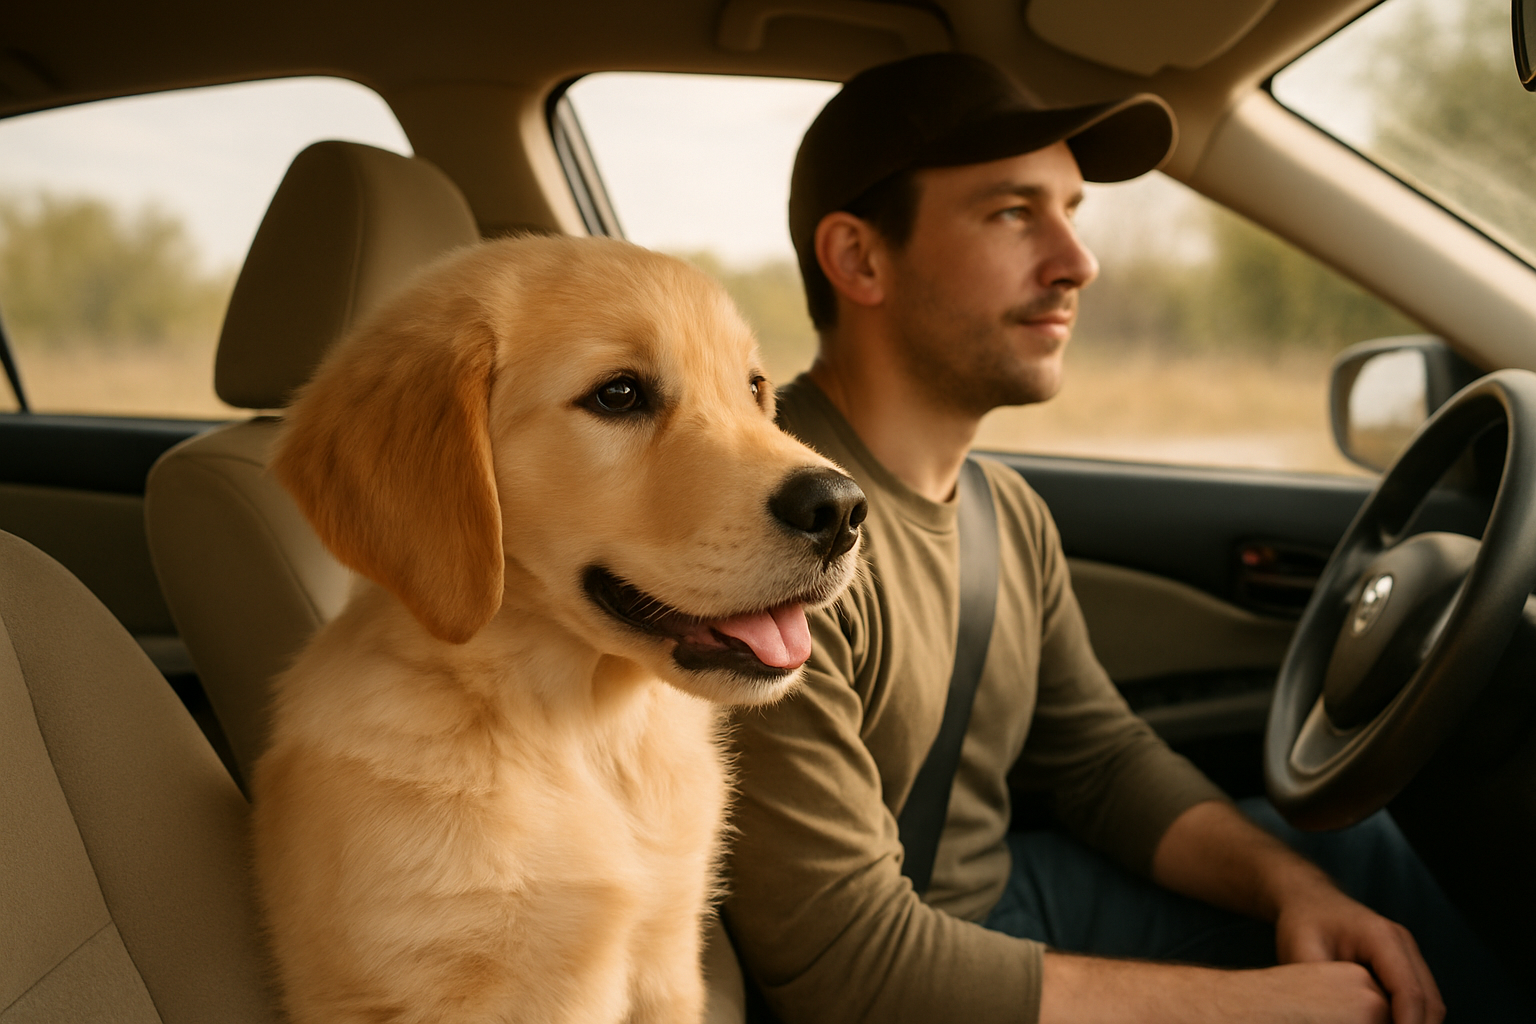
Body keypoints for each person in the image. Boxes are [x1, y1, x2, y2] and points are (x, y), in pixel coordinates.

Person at [721, 53, 1522, 1024]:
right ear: (859, 259)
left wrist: (1288, 890)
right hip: (899, 972)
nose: (1076, 260)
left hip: (1002, 906)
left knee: (1351, 864)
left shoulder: (1002, 511)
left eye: (1070, 211)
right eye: (1013, 212)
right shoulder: (770, 532)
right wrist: (1261, 1006)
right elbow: (851, 969)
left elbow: (1098, 758)